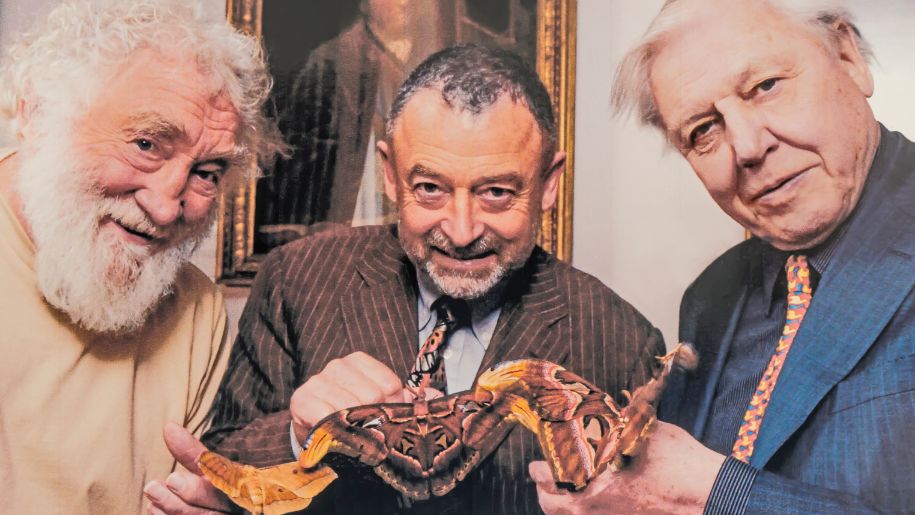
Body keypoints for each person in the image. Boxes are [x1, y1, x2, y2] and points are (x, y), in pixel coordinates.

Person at [145, 44, 666, 514]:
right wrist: (300, 436)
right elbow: (220, 464)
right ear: (390, 174)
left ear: (549, 184)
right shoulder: (297, 280)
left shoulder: (623, 343)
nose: (461, 232)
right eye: (430, 188)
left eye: (497, 194)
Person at [531, 0, 915, 513]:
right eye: (703, 130)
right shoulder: (710, 299)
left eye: (764, 87)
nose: (748, 147)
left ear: (848, 57)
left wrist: (713, 493)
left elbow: (700, 491)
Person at [0, 0, 280, 512]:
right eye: (147, 143)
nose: (166, 204)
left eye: (207, 172)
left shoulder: (196, 308)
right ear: (36, 112)